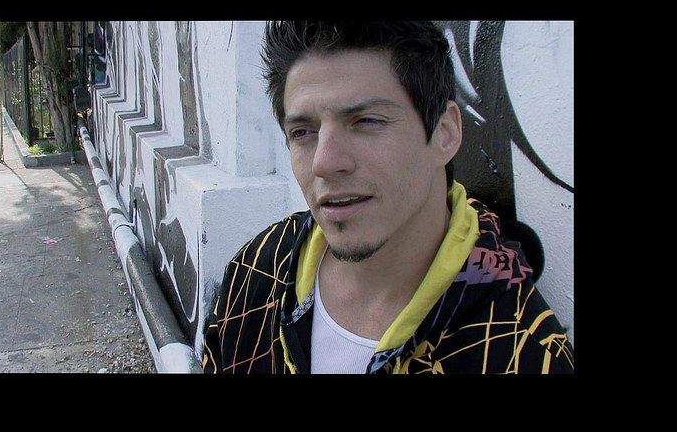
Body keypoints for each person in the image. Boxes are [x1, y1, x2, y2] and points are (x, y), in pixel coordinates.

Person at [201, 21, 574, 374]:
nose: (324, 162)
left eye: (366, 121)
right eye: (302, 132)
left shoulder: (523, 352)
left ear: (444, 133)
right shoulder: (257, 270)